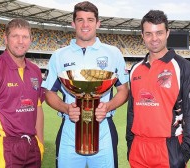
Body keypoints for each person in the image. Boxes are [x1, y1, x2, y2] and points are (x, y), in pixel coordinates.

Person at [41, 1, 129, 168]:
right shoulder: (59, 55)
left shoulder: (113, 53)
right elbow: (49, 93)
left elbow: (124, 90)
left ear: (98, 23)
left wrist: (108, 106)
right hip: (69, 126)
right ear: (73, 23)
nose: (85, 24)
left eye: (90, 19)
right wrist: (66, 108)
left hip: (104, 128)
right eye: (80, 20)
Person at [126, 10, 190, 168]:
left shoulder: (184, 68)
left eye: (159, 33)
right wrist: (130, 144)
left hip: (169, 149)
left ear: (167, 33)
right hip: (138, 148)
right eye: (149, 34)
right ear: (142, 35)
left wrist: (184, 154)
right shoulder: (135, 69)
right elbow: (131, 111)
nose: (154, 39)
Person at [0, 18, 44, 168]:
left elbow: (38, 109)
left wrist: (40, 143)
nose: (20, 41)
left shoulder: (35, 71)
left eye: (25, 37)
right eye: (15, 36)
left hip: (32, 147)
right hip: (4, 148)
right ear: (5, 38)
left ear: (31, 40)